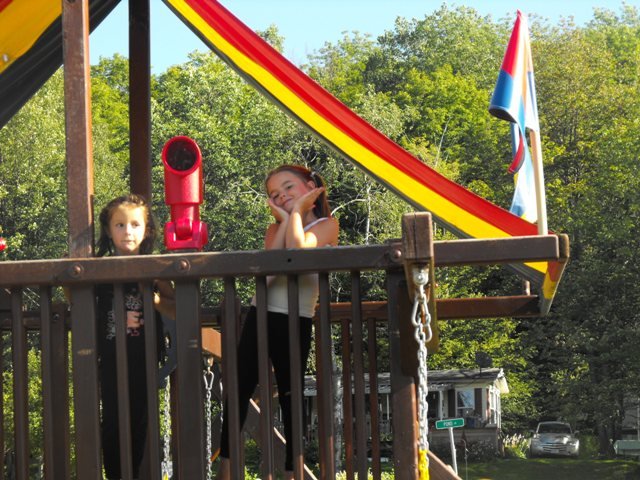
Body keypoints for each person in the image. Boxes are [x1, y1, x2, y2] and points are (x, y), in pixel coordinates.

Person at [216, 165, 339, 480]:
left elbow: (298, 253)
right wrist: (286, 219)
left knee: (291, 395)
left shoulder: (328, 225)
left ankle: (292, 471)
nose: (282, 196)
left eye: (289, 188)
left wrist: (296, 213)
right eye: (274, 194)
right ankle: (227, 470)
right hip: (260, 316)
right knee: (239, 389)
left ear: (310, 186)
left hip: (296, 320)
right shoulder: (275, 229)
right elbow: (269, 273)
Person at [94, 194, 175, 480]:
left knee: (140, 420)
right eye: (119, 225)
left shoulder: (155, 269)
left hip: (144, 356)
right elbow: (74, 297)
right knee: (112, 420)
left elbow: (174, 308)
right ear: (108, 230)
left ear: (147, 230)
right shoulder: (98, 269)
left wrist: (153, 300)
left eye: (135, 225)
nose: (127, 231)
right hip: (109, 356)